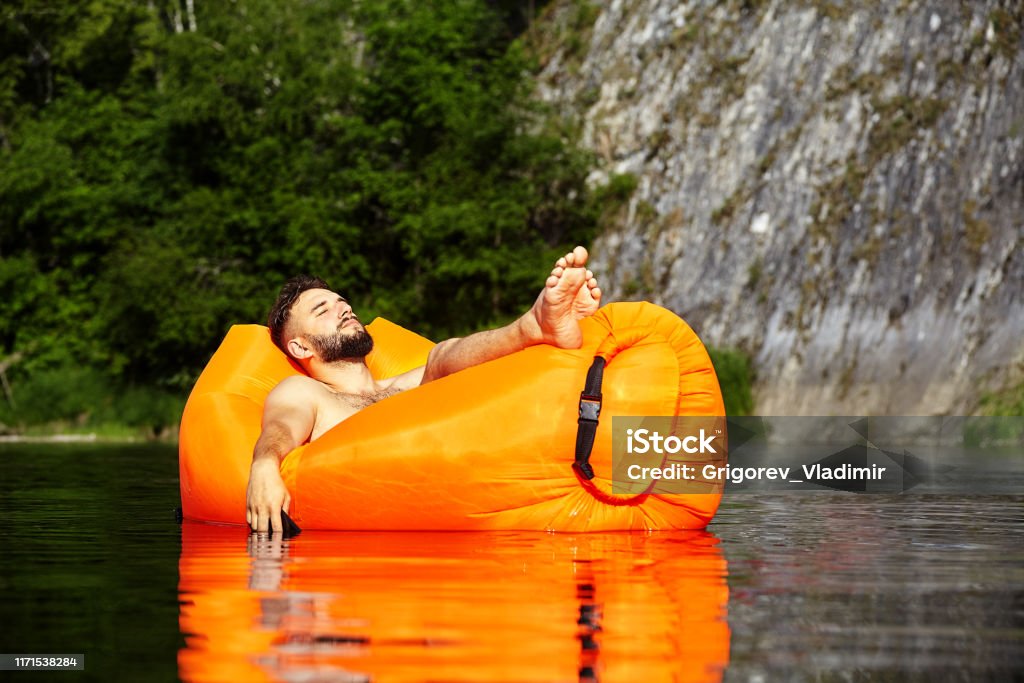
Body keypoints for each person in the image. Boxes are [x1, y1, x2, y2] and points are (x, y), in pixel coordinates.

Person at [246, 246, 602, 532]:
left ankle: (541, 331)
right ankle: (535, 326)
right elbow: (280, 427)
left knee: (441, 358)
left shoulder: (412, 381)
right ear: (300, 347)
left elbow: (464, 367)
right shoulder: (305, 392)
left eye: (342, 301)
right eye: (322, 309)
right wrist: (264, 465)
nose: (344, 309)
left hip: (484, 498)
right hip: (378, 551)